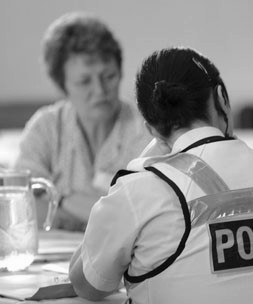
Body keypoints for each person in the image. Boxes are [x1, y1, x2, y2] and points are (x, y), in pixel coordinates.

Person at [68, 47, 253, 303]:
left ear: (150, 128)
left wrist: (145, 158)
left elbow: (88, 284)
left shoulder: (143, 188)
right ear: (222, 98)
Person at [13, 12, 151, 231]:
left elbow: (143, 214)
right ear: (63, 86)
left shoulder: (146, 130)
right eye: (84, 81)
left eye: (109, 76)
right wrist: (79, 204)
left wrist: (56, 199)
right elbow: (21, 204)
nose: (99, 90)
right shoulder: (46, 127)